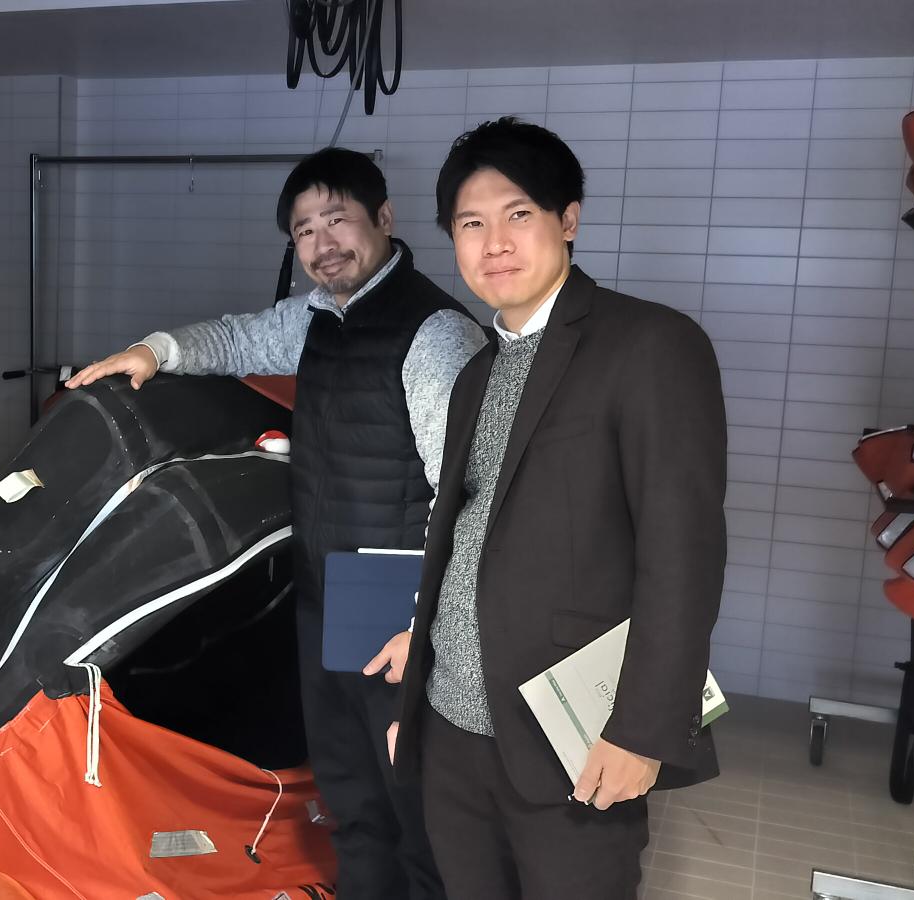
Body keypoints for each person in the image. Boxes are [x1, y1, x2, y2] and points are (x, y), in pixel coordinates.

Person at [66, 147, 481, 899]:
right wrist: (150, 353)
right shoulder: (317, 319)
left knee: (421, 808)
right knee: (354, 800)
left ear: (383, 219)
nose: (324, 243)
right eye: (303, 230)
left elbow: (474, 496)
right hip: (328, 589)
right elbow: (234, 338)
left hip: (402, 603)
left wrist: (427, 620)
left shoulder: (435, 334)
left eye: (338, 219)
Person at [379, 117, 727, 900]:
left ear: (568, 219)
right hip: (451, 732)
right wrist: (420, 682)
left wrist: (643, 731)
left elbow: (683, 555)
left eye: (518, 215)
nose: (493, 242)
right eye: (471, 224)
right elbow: (467, 537)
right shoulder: (477, 370)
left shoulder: (649, 346)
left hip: (570, 739)